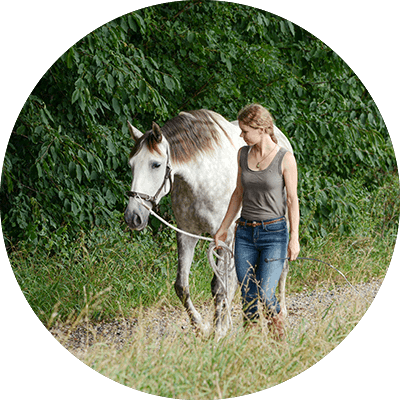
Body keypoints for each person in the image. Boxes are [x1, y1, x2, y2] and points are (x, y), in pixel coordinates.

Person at [214, 104, 300, 338]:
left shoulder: (285, 158)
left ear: (261, 129)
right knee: (248, 294)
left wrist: (294, 239)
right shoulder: (243, 154)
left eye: (244, 131)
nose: (241, 135)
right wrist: (223, 229)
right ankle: (251, 345)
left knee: (266, 292)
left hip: (274, 234)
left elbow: (292, 200)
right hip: (244, 235)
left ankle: (277, 336)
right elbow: (238, 193)